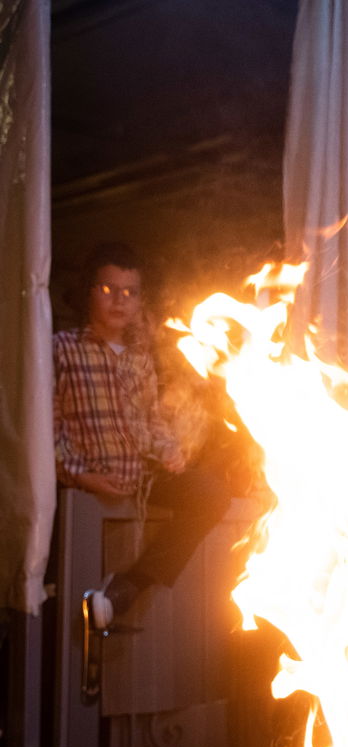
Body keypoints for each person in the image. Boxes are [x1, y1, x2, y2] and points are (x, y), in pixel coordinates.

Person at [54, 242, 235, 631]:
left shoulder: (139, 358)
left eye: (129, 292)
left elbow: (151, 421)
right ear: (89, 292)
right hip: (83, 486)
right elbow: (44, 429)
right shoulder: (61, 348)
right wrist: (79, 475)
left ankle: (129, 588)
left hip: (140, 479)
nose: (119, 300)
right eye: (107, 289)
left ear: (138, 301)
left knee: (212, 494)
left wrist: (170, 449)